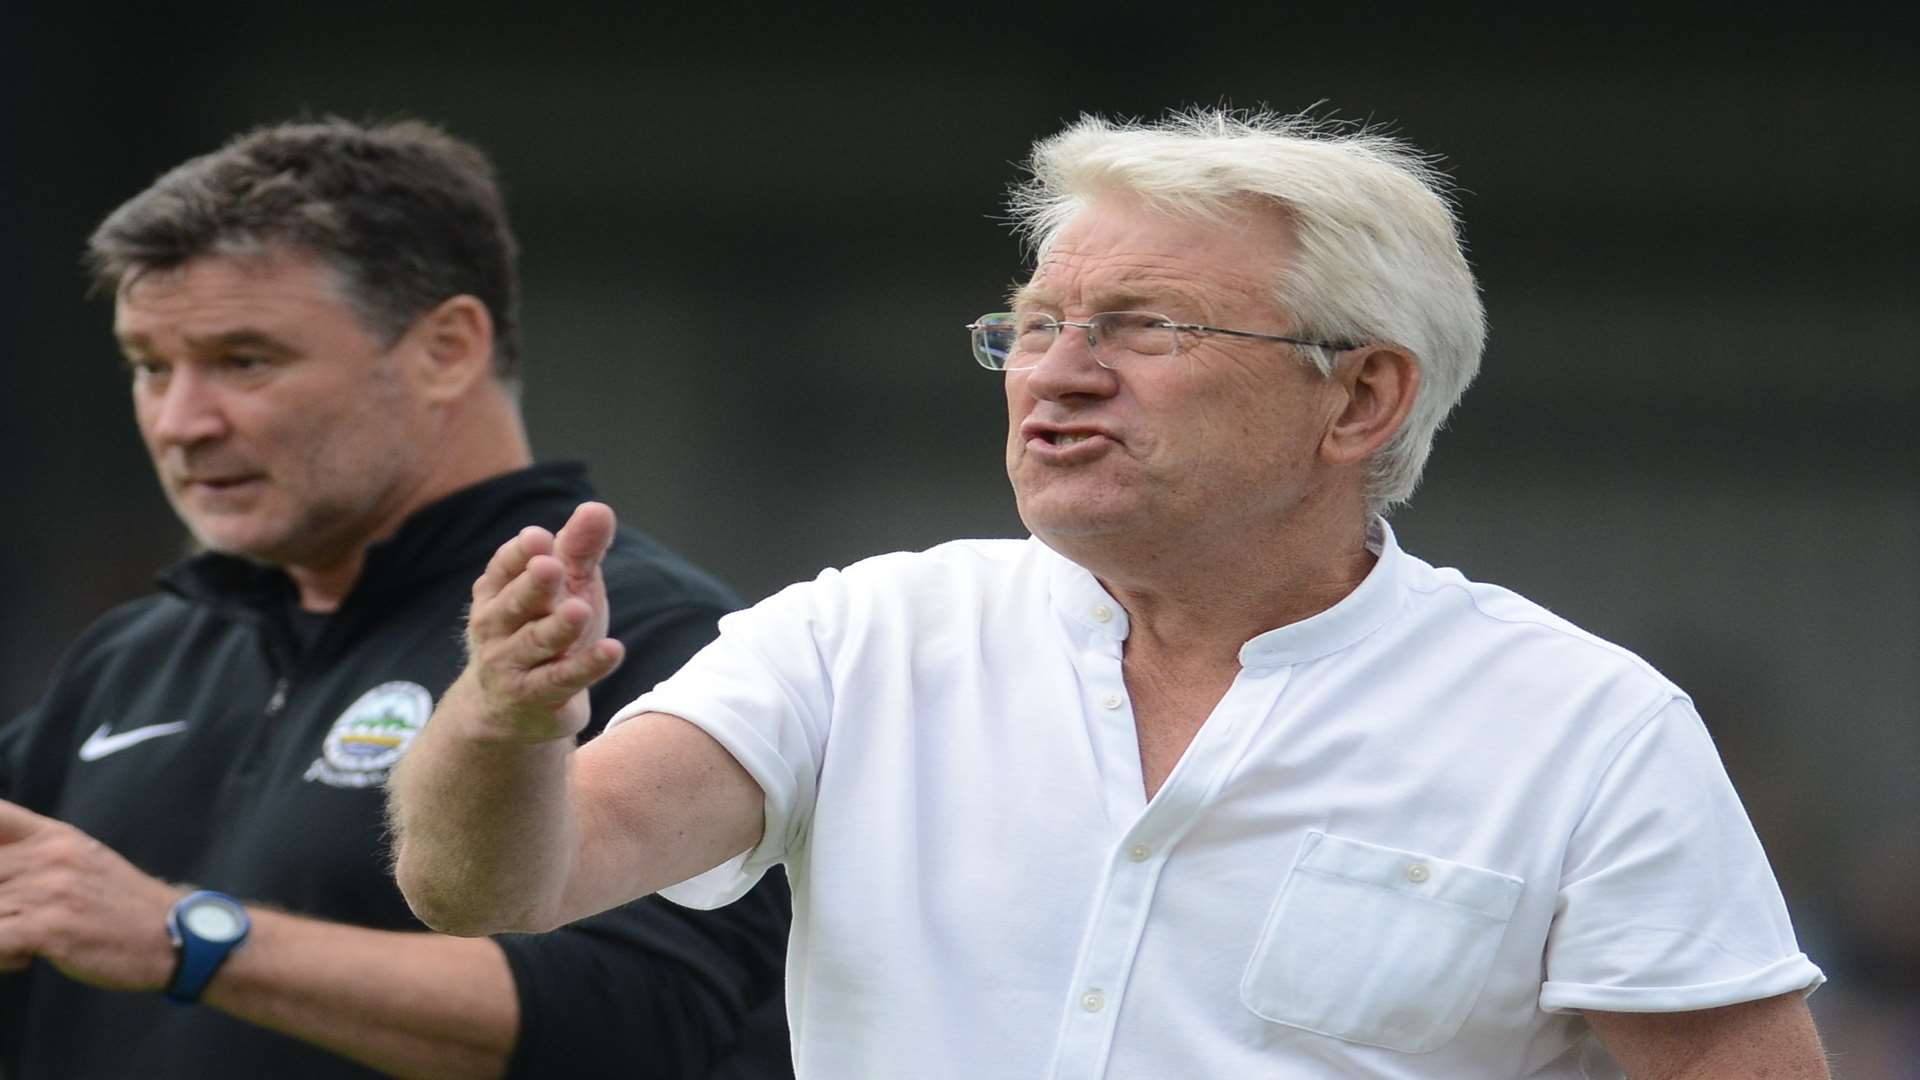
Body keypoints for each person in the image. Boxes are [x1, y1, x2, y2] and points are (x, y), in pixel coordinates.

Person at [387, 108, 1830, 1078]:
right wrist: (507, 722)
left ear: (1361, 398)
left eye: (1144, 329)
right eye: (1033, 327)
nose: (1059, 370)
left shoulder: (1583, 726)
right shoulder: (862, 637)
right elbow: (500, 884)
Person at [0, 118, 791, 1079]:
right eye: (149, 366)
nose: (182, 422)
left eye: (245, 360)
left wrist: (188, 938)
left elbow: (642, 1021)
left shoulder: (642, 634)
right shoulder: (137, 654)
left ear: (448, 348)